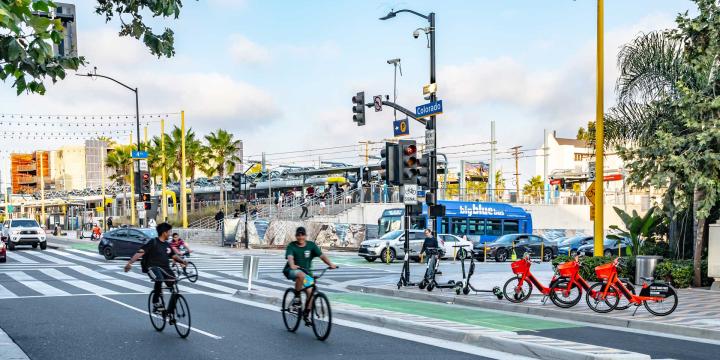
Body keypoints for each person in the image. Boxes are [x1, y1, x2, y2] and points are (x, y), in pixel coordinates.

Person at [124, 223, 187, 322]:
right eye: (169, 232)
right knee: (159, 279)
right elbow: (140, 252)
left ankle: (169, 312)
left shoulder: (167, 245)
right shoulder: (153, 242)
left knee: (174, 285)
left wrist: (182, 261)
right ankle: (156, 302)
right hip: (152, 267)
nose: (170, 234)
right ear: (164, 233)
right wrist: (130, 263)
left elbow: (173, 256)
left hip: (166, 268)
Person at [283, 227, 336, 323]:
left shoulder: (311, 246)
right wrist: (292, 265)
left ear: (305, 236)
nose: (300, 237)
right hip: (291, 270)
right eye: (298, 235)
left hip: (307, 273)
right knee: (300, 274)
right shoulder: (292, 246)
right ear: (296, 236)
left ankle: (306, 314)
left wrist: (330, 264)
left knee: (310, 292)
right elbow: (290, 257)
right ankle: (297, 299)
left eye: (302, 235)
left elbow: (322, 256)